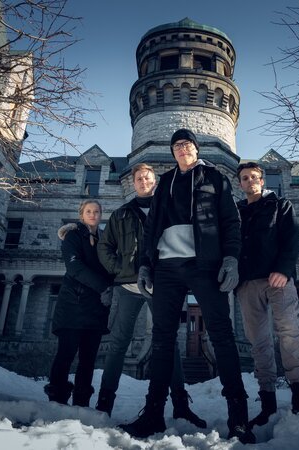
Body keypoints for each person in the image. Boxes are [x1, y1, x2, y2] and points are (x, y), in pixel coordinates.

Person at [119, 129, 255, 444]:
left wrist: (231, 259)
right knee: (163, 338)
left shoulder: (214, 179)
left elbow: (231, 222)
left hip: (204, 265)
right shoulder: (164, 182)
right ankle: (153, 413)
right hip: (167, 266)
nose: (182, 149)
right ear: (173, 151)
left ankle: (239, 417)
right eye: (177, 145)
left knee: (221, 334)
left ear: (195, 148)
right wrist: (145, 264)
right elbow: (152, 226)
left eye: (187, 144)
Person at [95, 163, 206, 428]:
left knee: (168, 345)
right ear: (132, 183)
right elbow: (104, 246)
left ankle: (181, 404)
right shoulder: (121, 213)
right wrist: (119, 269)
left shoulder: (167, 209)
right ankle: (103, 404)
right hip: (128, 287)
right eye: (138, 178)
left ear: (154, 181)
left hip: (161, 286)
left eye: (147, 177)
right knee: (118, 343)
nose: (143, 181)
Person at [235, 162, 299, 427]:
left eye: (254, 177)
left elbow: (292, 239)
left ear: (262, 180)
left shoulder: (281, 205)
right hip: (247, 283)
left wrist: (282, 269)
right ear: (240, 183)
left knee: (288, 332)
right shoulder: (237, 212)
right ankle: (267, 401)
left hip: (277, 279)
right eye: (245, 178)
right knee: (259, 341)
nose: (250, 181)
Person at [45, 200, 114, 408]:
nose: (93, 214)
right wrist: (104, 287)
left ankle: (82, 401)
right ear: (82, 215)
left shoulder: (105, 240)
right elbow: (75, 269)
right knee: (65, 354)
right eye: (88, 211)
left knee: (88, 359)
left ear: (101, 215)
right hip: (73, 305)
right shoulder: (72, 236)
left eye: (96, 211)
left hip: (96, 308)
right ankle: (57, 399)